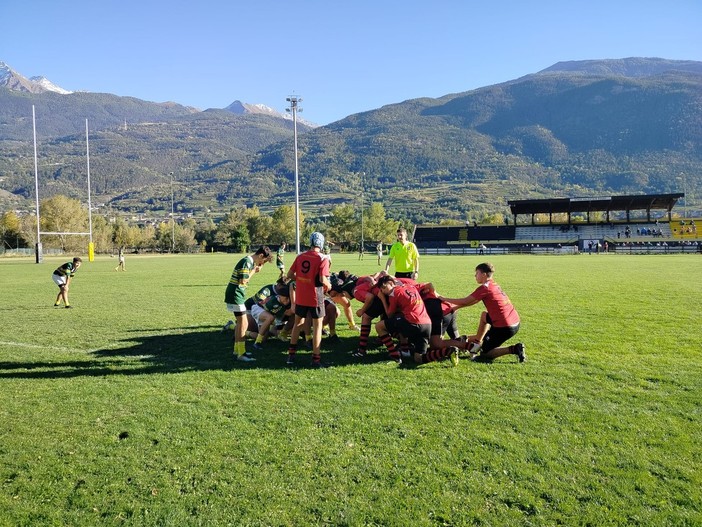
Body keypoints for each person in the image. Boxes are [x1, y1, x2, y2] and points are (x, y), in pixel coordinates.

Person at [439, 262, 525, 363]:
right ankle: (476, 342)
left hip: (504, 327)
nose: (475, 276)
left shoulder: (485, 288)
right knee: (484, 315)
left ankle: (515, 348)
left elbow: (466, 300)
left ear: (484, 274)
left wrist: (443, 298)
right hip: (514, 320)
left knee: (486, 353)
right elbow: (472, 301)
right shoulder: (493, 284)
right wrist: (456, 307)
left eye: (477, 273)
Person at [286, 232, 332, 367]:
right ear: (321, 244)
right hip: (315, 297)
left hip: (301, 296)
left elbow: (289, 275)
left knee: (297, 324)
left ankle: (291, 356)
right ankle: (316, 359)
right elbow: (323, 279)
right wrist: (329, 285)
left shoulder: (300, 256)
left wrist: (301, 281)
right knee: (317, 327)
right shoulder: (323, 258)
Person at [224, 246, 272, 362]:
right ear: (261, 255)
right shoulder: (247, 262)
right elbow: (243, 280)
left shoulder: (248, 262)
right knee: (243, 323)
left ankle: (237, 350)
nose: (262, 264)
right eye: (263, 261)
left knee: (241, 323)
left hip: (236, 294)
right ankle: (241, 354)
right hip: (236, 295)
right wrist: (254, 271)